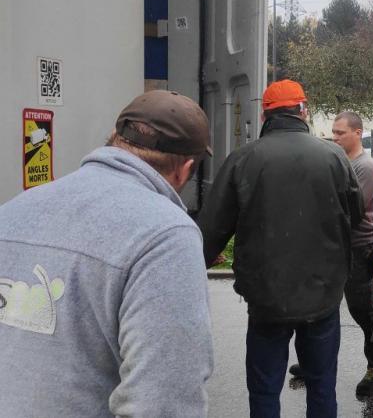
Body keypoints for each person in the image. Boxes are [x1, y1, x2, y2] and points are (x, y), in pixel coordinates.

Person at [0, 90, 214, 417]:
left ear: (114, 139)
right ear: (185, 169)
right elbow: (162, 401)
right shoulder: (165, 235)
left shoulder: (15, 209)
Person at [197, 79, 363, 418]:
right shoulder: (333, 156)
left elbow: (211, 230)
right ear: (303, 110)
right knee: (321, 386)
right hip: (323, 293)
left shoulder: (243, 159)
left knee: (264, 388)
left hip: (266, 297)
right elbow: (356, 215)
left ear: (264, 114)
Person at [288, 111, 373, 397]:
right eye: (333, 132)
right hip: (333, 247)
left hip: (357, 249)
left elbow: (347, 212)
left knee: (362, 312)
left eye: (340, 132)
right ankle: (314, 364)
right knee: (320, 310)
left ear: (358, 133)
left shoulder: (365, 167)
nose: (335, 137)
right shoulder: (339, 162)